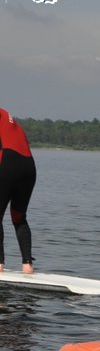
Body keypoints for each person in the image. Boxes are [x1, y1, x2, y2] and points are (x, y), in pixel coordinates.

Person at [0, 107, 37, 274]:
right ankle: (27, 265)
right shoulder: (8, 118)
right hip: (29, 165)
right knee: (19, 217)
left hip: (8, 161)